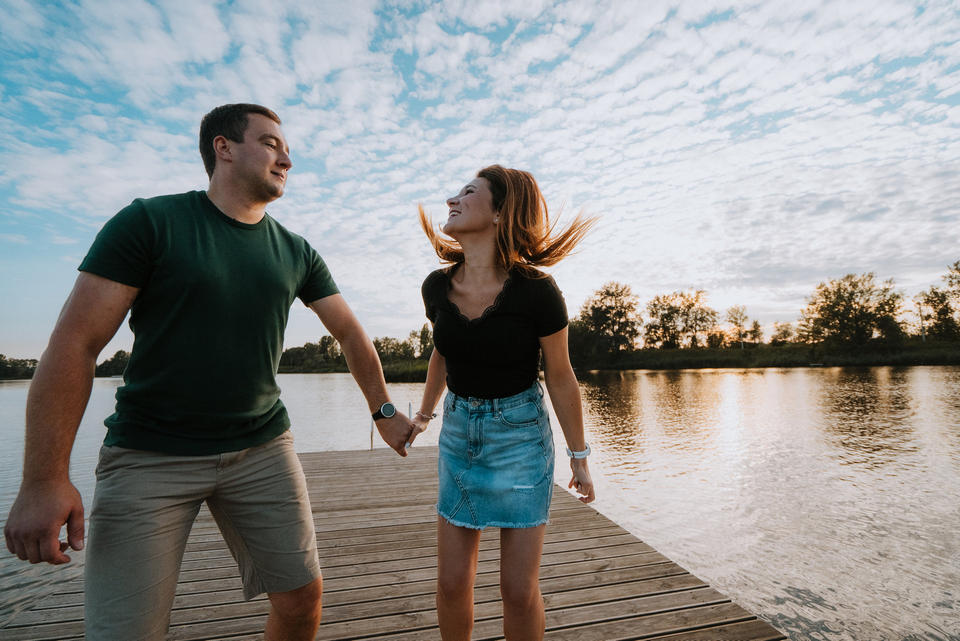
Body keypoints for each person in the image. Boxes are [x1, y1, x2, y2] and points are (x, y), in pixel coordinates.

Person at [2, 103, 416, 641]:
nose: (287, 159)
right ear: (224, 148)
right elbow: (75, 344)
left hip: (262, 448)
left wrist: (383, 410)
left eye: (287, 149)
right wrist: (43, 478)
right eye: (270, 143)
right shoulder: (150, 222)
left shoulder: (296, 251)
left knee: (301, 601)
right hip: (149, 455)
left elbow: (351, 333)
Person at [407, 165, 596, 640]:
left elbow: (560, 375)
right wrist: (424, 415)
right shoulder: (436, 287)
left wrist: (579, 457)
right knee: (452, 583)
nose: (452, 199)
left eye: (468, 192)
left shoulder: (537, 291)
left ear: (499, 213)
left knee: (517, 590)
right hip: (458, 437)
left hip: (521, 439)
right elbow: (442, 354)